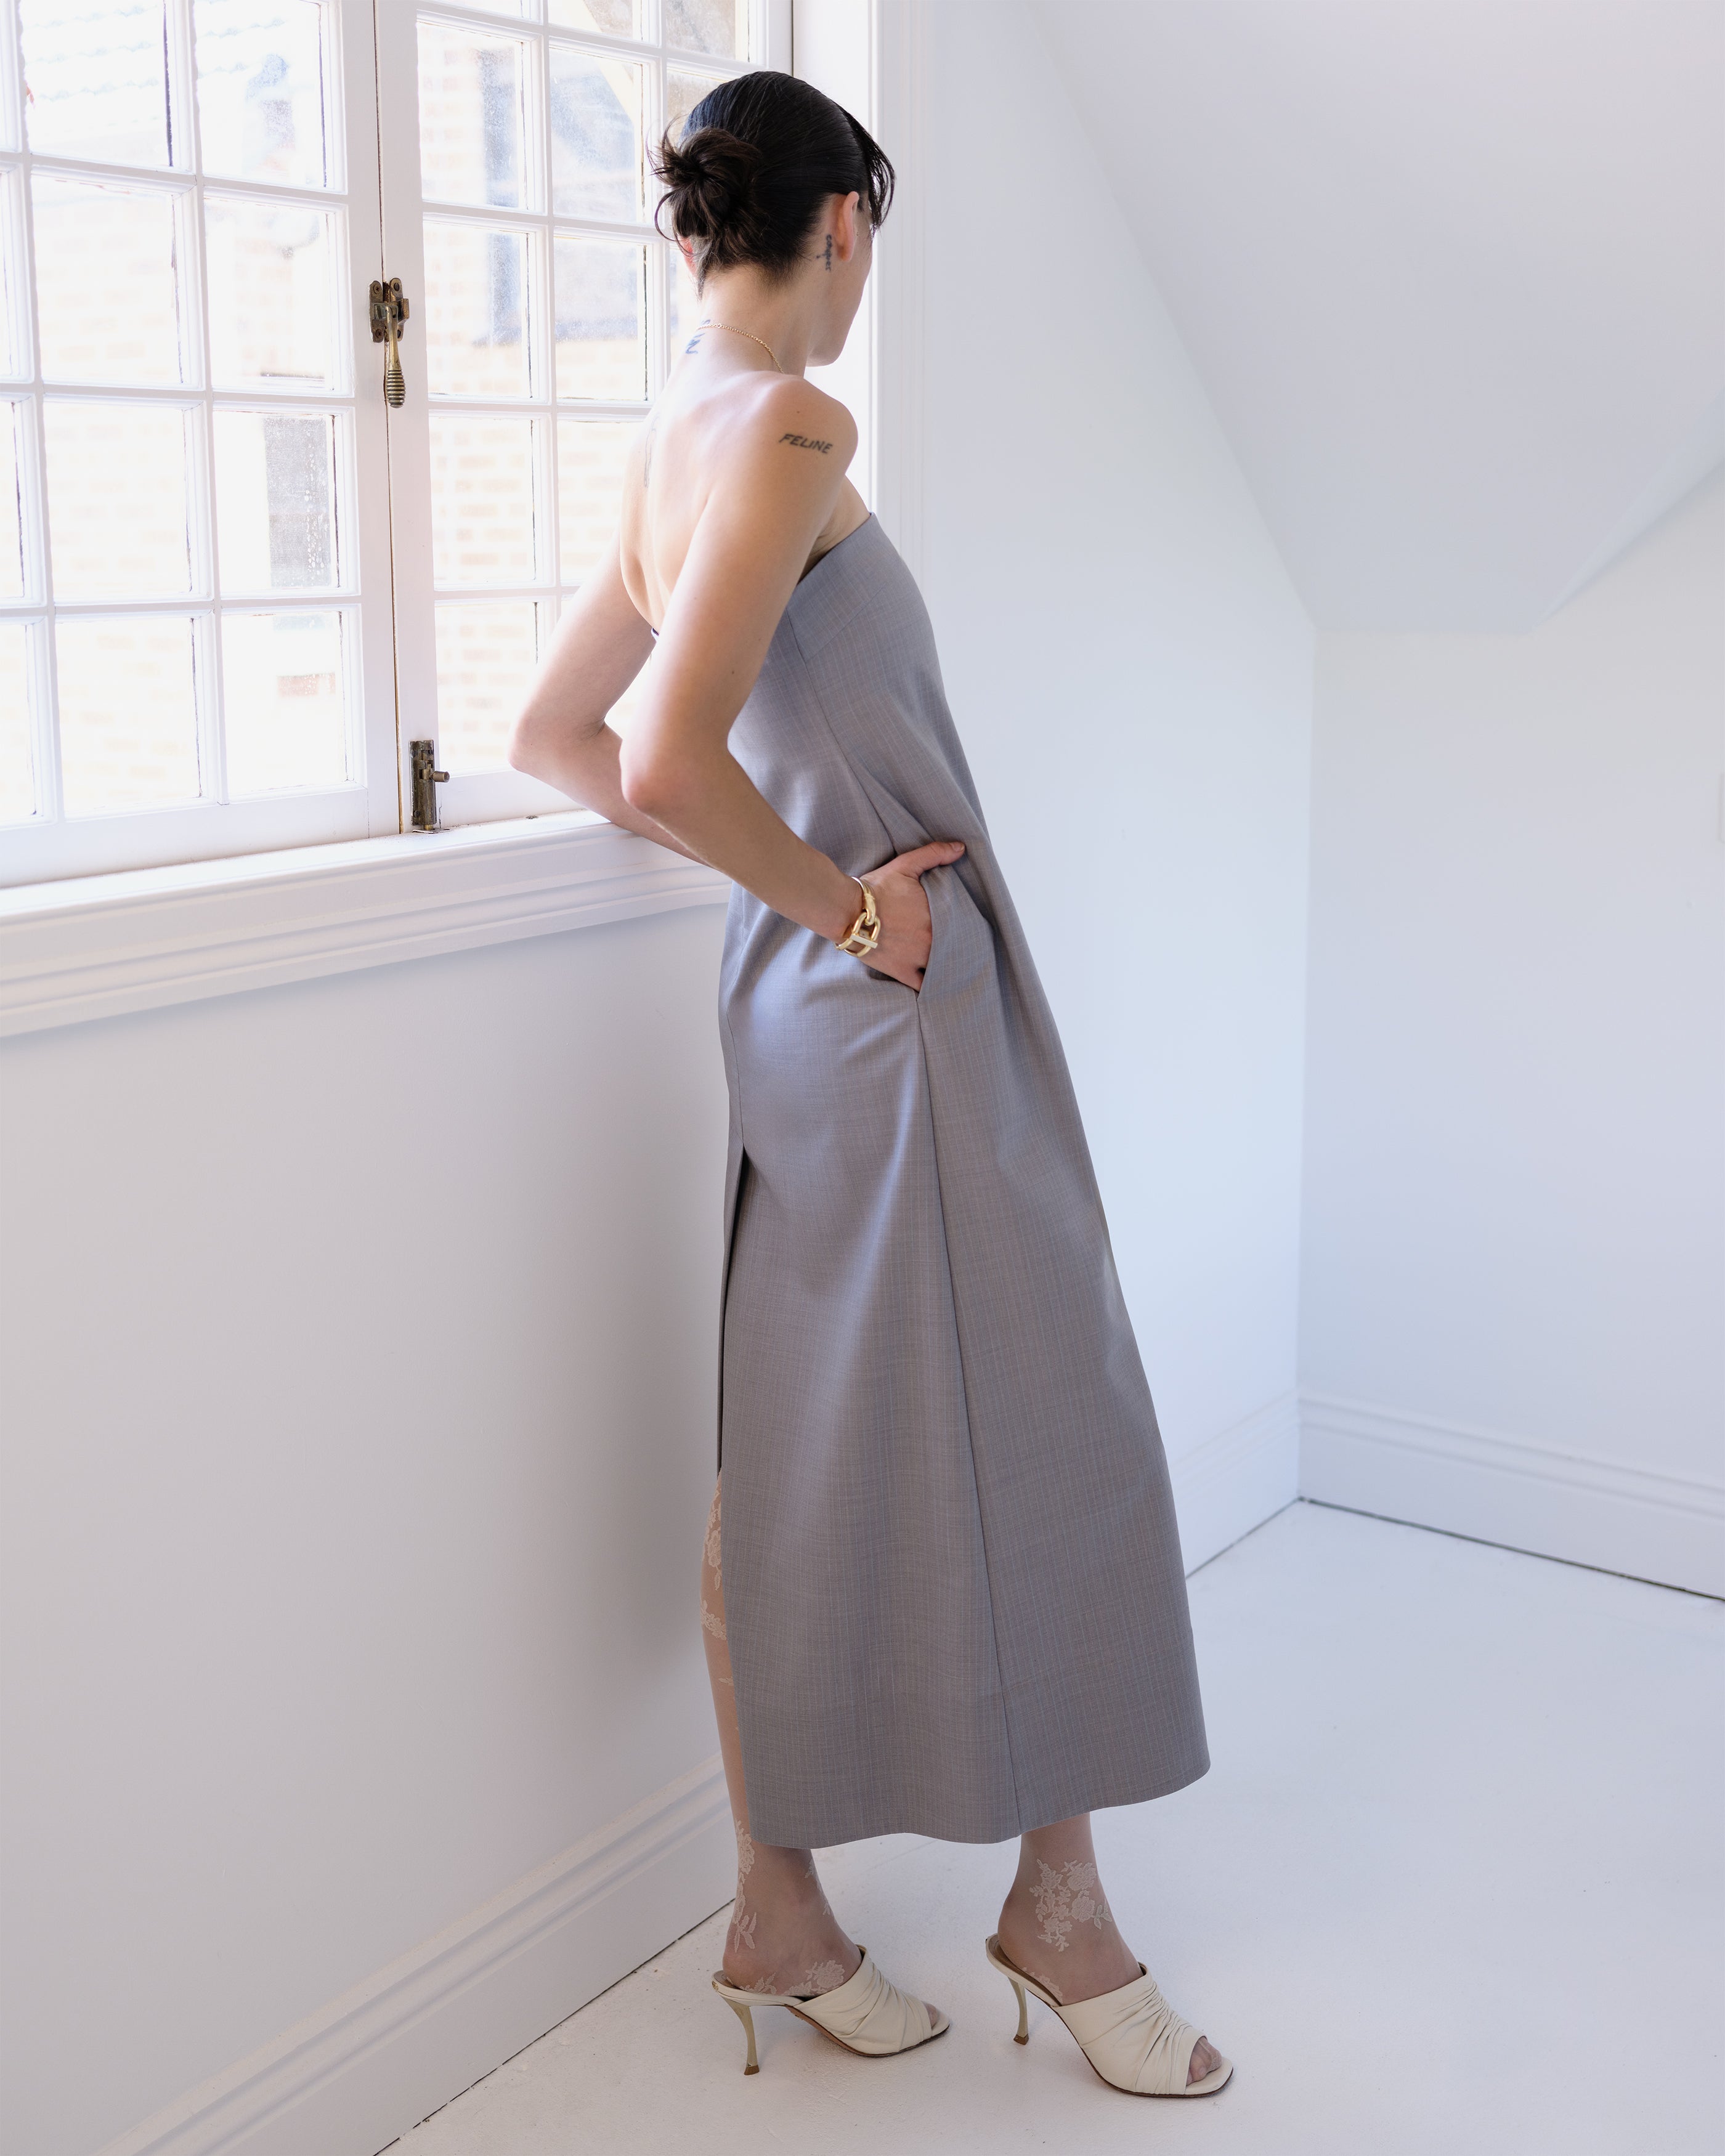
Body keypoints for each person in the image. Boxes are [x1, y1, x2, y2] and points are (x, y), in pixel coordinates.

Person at [508, 69, 1231, 2100]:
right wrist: (849, 903)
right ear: (843, 227)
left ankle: (782, 1909)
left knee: (807, 1446)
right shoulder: (793, 425)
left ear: (695, 230)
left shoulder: (666, 451)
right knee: (1056, 1417)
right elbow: (661, 761)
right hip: (887, 1008)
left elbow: (561, 737)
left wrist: (801, 908)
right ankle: (1061, 1908)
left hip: (805, 1012)